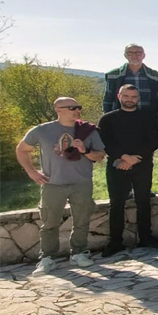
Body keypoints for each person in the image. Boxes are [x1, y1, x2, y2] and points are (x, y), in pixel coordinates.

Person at [17, 97, 105, 275]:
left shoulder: (87, 130)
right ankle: (47, 258)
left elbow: (100, 155)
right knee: (49, 222)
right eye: (73, 107)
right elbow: (22, 149)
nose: (77, 110)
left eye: (79, 107)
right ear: (59, 109)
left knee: (81, 221)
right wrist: (32, 172)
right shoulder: (42, 130)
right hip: (53, 184)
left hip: (82, 183)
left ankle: (79, 253)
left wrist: (84, 151)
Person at [99, 85, 158, 258]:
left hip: (142, 165)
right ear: (119, 96)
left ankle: (146, 237)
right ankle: (115, 242)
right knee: (117, 203)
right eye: (126, 96)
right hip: (117, 165)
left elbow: (154, 140)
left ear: (138, 98)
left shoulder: (147, 117)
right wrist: (123, 157)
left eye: (133, 96)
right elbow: (105, 142)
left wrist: (136, 158)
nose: (130, 99)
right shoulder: (107, 119)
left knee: (143, 201)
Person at [103, 44, 158, 122]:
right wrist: (107, 119)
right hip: (120, 120)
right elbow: (108, 99)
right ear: (125, 55)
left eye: (138, 53)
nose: (134, 56)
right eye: (130, 53)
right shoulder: (114, 75)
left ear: (143, 55)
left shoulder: (154, 76)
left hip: (148, 120)